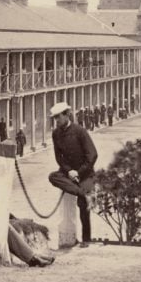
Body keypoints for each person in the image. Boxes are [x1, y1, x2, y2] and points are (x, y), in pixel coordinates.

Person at [46, 101, 97, 248]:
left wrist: (78, 172)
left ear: (67, 115)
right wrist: (69, 171)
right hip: (68, 173)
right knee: (53, 176)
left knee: (83, 206)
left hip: (85, 173)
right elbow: (59, 158)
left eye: (58, 117)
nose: (56, 120)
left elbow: (92, 155)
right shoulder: (56, 134)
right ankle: (81, 192)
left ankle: (86, 239)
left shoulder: (80, 131)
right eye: (55, 118)